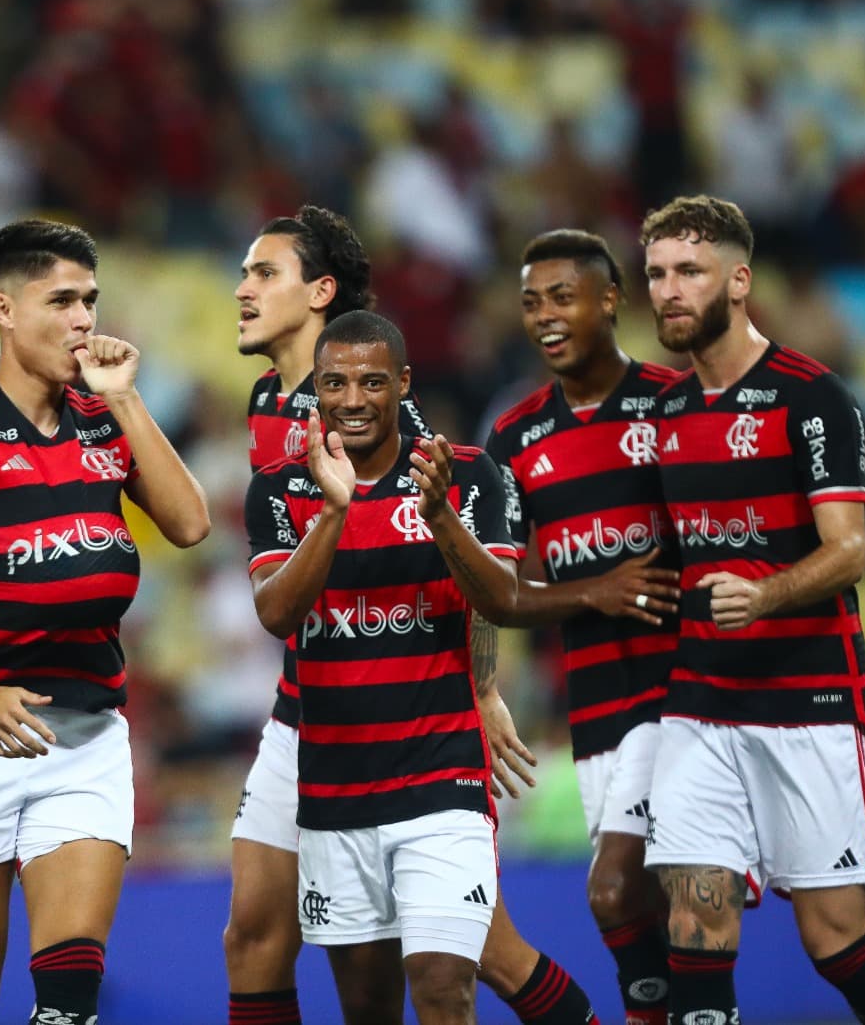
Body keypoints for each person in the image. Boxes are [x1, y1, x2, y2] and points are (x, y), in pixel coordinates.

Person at [228, 206, 597, 1025]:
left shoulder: (400, 426)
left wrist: (484, 683)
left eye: (264, 273)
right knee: (253, 933)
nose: (243, 289)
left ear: (319, 293)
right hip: (312, 717)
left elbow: (454, 541)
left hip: (409, 719)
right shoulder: (264, 401)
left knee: (474, 959)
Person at [0, 219, 210, 1025]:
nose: (82, 320)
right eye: (60, 300)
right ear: (3, 307)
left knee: (69, 991)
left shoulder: (106, 421)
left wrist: (125, 399)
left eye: (90, 301)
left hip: (87, 736)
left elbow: (191, 523)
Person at [638, 195, 865, 1025]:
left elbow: (849, 550)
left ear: (739, 279)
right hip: (700, 706)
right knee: (694, 922)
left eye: (689, 271)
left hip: (810, 702)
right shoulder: (667, 413)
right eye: (656, 275)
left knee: (836, 942)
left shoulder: (813, 397)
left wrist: (763, 594)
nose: (669, 291)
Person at [245, 309, 513, 1025]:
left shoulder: (466, 473)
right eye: (334, 383)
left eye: (371, 381)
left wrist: (443, 519)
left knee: (442, 984)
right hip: (335, 793)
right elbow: (276, 616)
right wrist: (334, 513)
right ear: (317, 394)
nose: (353, 399)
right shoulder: (279, 489)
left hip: (442, 780)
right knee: (367, 1008)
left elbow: (501, 600)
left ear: (402, 383)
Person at [483, 229, 683, 1025]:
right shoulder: (515, 436)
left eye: (563, 297)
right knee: (648, 909)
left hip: (689, 693)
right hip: (597, 704)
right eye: (531, 302)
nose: (545, 317)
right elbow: (497, 589)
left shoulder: (675, 402)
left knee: (616, 890)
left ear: (610, 299)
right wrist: (591, 592)